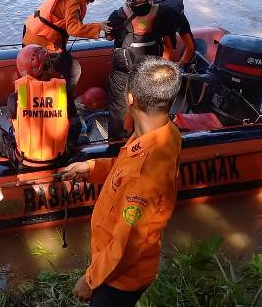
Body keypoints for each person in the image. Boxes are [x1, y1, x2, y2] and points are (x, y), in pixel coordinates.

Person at [61, 57, 183, 307]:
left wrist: (90, 280)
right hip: (117, 264)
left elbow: (126, 247)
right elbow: (124, 167)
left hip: (118, 278)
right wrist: (93, 168)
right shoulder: (163, 134)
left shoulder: (143, 174)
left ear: (130, 98)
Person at [106, 0, 195, 139]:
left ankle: (116, 146)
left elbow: (109, 37)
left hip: (124, 73)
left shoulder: (117, 16)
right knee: (149, 113)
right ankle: (147, 143)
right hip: (151, 73)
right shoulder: (166, 14)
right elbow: (176, 47)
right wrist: (175, 67)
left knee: (119, 112)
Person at [22, 0, 113, 114]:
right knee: (73, 71)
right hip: (42, 40)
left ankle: (38, 104)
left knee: (35, 77)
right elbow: (73, 28)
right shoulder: (74, 0)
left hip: (33, 34)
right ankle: (64, 105)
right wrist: (99, 27)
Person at [8, 45, 81, 167]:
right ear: (47, 66)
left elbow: (12, 121)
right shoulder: (61, 91)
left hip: (26, 159)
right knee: (76, 123)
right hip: (58, 157)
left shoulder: (16, 95)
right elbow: (72, 118)